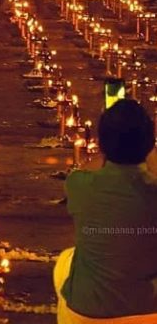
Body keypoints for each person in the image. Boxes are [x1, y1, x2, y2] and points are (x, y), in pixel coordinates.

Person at [54, 99, 157, 323]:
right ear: (150, 144)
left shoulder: (78, 184)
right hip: (150, 312)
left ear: (101, 145)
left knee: (65, 261)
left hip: (87, 313)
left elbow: (87, 169)